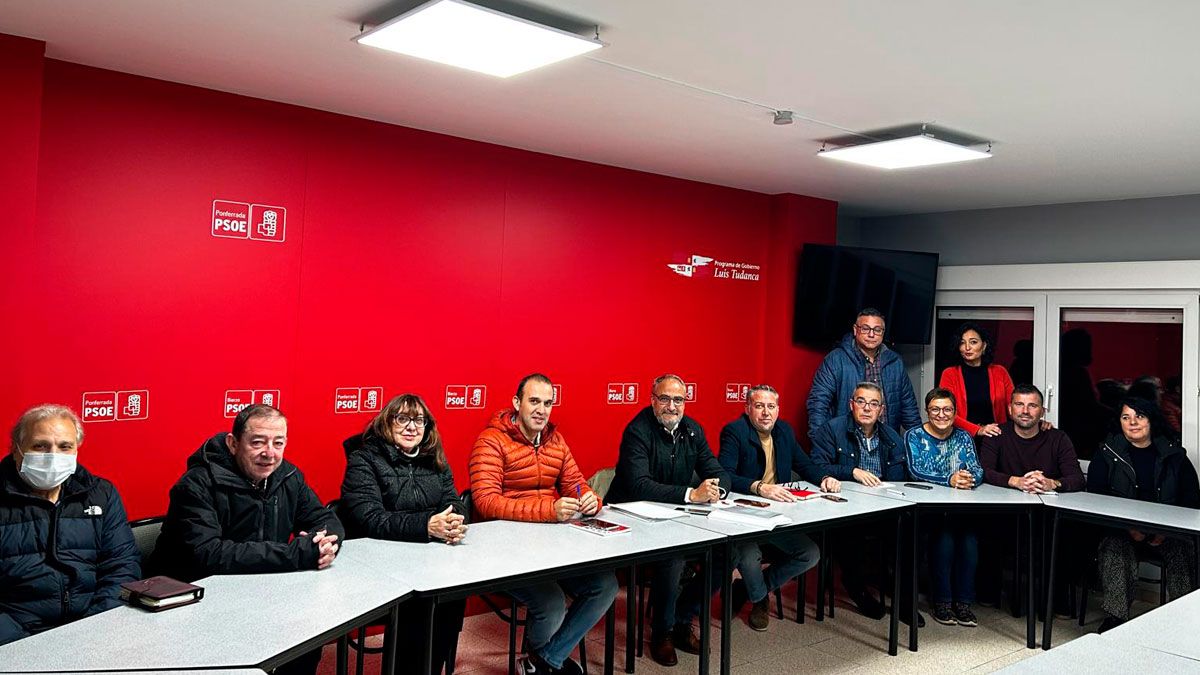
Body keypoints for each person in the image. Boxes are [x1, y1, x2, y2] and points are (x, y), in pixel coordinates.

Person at [150, 404, 343, 675]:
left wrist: (324, 544)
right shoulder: (195, 485)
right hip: (200, 604)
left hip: (263, 594)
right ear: (233, 443)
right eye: (257, 442)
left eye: (278, 443)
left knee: (306, 638)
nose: (269, 453)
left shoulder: (288, 476)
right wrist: (296, 554)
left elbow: (324, 519)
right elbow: (209, 554)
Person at [469, 373, 616, 675]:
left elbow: (576, 484)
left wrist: (590, 499)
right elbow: (485, 501)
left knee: (605, 585)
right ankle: (544, 660)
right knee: (550, 602)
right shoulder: (491, 440)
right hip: (504, 552)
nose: (541, 409)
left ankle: (544, 660)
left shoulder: (555, 440)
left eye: (547, 403)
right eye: (534, 401)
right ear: (516, 403)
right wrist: (548, 510)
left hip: (552, 550)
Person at [607, 374, 729, 667]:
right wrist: (691, 494)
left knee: (729, 552)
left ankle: (681, 618)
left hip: (673, 516)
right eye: (665, 399)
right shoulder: (638, 431)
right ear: (653, 401)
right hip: (630, 516)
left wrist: (715, 489)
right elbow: (639, 485)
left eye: (678, 400)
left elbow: (717, 470)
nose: (671, 406)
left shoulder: (693, 430)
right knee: (673, 556)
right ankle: (661, 633)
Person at [340, 394, 467, 675]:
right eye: (403, 419)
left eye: (419, 420)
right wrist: (426, 525)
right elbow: (371, 519)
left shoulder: (435, 460)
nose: (412, 427)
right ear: (387, 423)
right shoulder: (364, 459)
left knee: (453, 594)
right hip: (378, 563)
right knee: (417, 602)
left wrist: (454, 520)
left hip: (428, 558)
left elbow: (454, 502)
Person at [0, 404, 140, 645]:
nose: (53, 455)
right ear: (16, 450)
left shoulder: (100, 494)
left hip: (91, 630)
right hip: (15, 637)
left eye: (65, 447)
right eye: (40, 446)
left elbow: (122, 567)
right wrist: (23, 643)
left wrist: (93, 627)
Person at [717, 384, 838, 631]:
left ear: (777, 409)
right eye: (759, 406)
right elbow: (724, 475)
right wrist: (759, 487)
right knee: (749, 555)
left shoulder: (784, 431)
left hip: (780, 515)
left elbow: (804, 464)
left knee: (810, 553)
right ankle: (760, 599)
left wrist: (825, 478)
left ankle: (749, 589)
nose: (765, 413)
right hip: (744, 515)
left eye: (771, 406)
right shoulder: (734, 431)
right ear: (747, 408)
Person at [810, 382, 919, 625]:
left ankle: (902, 598)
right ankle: (856, 587)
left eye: (873, 404)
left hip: (883, 507)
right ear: (851, 405)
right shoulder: (832, 430)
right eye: (861, 401)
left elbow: (901, 478)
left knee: (910, 531)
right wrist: (853, 472)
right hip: (844, 508)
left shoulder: (891, 436)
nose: (867, 408)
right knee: (853, 534)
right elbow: (815, 467)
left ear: (881, 409)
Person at [1086, 397, 1199, 632]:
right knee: (1115, 549)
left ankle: (1186, 618)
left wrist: (1165, 531)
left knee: (1183, 550)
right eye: (1126, 417)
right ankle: (1116, 619)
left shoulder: (1174, 455)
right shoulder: (1107, 453)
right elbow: (1097, 499)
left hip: (1169, 531)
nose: (1133, 423)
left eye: (1140, 416)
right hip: (1121, 530)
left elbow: (1191, 500)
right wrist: (1130, 528)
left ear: (1151, 421)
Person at [906, 388, 984, 627]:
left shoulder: (963, 437)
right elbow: (915, 470)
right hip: (928, 510)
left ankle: (963, 603)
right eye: (935, 409)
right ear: (927, 412)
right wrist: (949, 479)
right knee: (945, 539)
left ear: (955, 412)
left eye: (947, 409)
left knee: (970, 542)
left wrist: (968, 479)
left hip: (960, 507)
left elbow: (978, 469)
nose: (941, 414)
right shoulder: (914, 435)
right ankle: (942, 602)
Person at [806, 307, 921, 442]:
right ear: (855, 330)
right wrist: (821, 443)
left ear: (883, 333)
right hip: (847, 443)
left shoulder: (895, 362)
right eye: (865, 328)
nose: (871, 335)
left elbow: (909, 408)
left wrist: (920, 444)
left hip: (885, 444)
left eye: (877, 330)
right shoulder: (836, 360)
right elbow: (818, 404)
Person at [978, 385, 1084, 494]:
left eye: (1032, 406)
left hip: (1048, 506)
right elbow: (984, 472)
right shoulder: (996, 434)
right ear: (1010, 409)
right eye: (1019, 404)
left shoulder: (1058, 438)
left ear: (1042, 412)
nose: (1025, 411)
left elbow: (1077, 479)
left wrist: (1052, 483)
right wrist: (1016, 481)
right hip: (1006, 503)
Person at [938, 321, 1014, 438]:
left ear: (984, 346)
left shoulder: (1000, 372)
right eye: (962, 343)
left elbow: (1014, 408)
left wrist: (1036, 423)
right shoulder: (950, 374)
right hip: (961, 439)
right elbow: (946, 412)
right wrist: (978, 430)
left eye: (973, 342)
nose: (967, 347)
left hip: (997, 438)